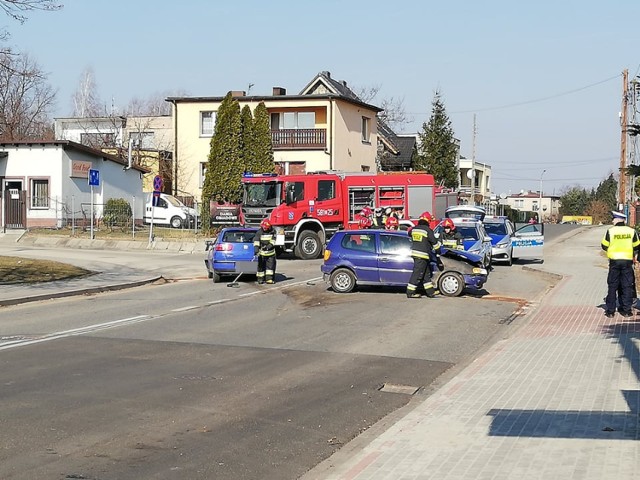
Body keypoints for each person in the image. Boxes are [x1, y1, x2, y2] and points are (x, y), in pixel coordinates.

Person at [601, 210, 640, 317]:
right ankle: (627, 310)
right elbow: (637, 245)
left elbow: (604, 245)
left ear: (618, 220)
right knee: (627, 286)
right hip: (627, 262)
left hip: (614, 262)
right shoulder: (631, 231)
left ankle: (610, 311)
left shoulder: (611, 231)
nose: (612, 221)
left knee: (612, 285)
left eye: (613, 219)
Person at [407, 211, 441, 298]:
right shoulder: (428, 230)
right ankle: (410, 292)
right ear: (428, 221)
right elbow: (435, 243)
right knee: (417, 273)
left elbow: (409, 233)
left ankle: (430, 292)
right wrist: (438, 252)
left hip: (415, 254)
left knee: (426, 274)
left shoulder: (414, 229)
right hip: (423, 255)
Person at [253, 218, 277, 284]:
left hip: (270, 254)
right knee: (260, 267)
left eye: (266, 228)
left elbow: (273, 241)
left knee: (270, 268)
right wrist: (256, 250)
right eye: (264, 228)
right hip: (261, 254)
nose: (264, 229)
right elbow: (256, 241)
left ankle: (269, 279)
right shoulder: (259, 232)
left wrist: (268, 247)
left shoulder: (273, 231)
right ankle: (260, 279)